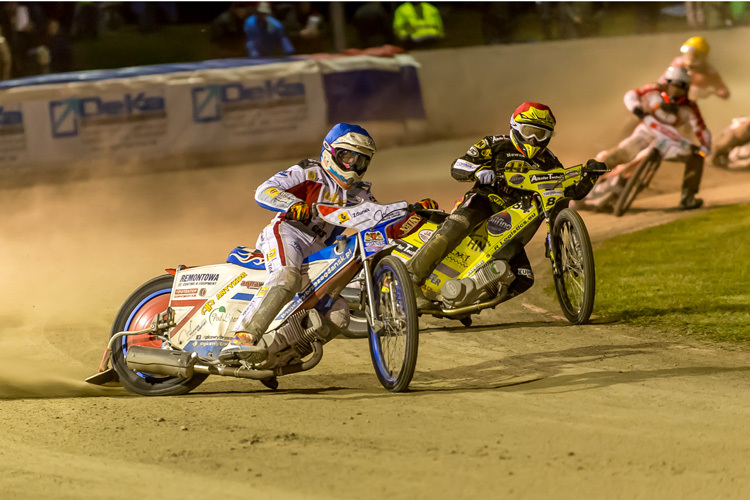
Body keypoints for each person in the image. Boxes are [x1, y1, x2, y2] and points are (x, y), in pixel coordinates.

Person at [405, 102, 604, 310]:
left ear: (549, 136)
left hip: (515, 222)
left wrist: (589, 178)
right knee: (458, 223)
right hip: (483, 201)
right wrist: (478, 171)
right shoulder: (494, 143)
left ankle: (467, 296)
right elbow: (458, 165)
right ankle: (411, 277)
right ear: (515, 128)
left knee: (523, 277)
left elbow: (565, 193)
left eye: (541, 134)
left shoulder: (550, 161)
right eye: (528, 132)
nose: (533, 140)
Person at [581, 66, 711, 211]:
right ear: (667, 83)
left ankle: (688, 198)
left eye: (682, 87)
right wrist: (636, 108)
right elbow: (631, 95)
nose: (677, 91)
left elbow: (701, 129)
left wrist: (705, 147)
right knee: (617, 155)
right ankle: (581, 186)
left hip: (668, 144)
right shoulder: (653, 90)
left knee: (696, 157)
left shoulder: (690, 107)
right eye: (674, 86)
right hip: (643, 135)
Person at [663, 36, 730, 100]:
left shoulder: (709, 72)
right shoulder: (678, 63)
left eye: (693, 55)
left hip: (693, 103)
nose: (689, 58)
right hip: (674, 99)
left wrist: (712, 92)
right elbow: (663, 83)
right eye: (688, 54)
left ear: (702, 56)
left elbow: (724, 92)